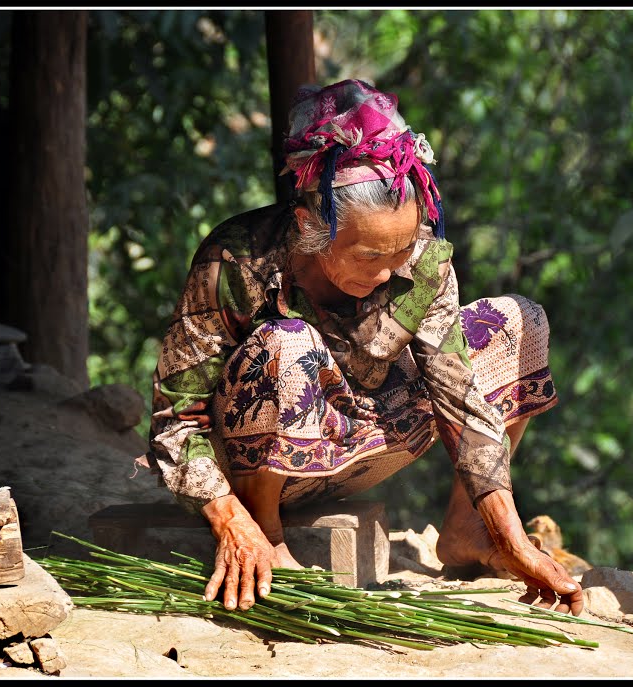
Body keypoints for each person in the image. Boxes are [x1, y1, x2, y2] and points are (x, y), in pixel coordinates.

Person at [140, 78, 583, 617]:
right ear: (310, 226)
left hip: (359, 438)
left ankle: (469, 531)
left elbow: (460, 399)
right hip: (254, 464)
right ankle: (268, 537)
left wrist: (510, 534)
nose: (392, 270)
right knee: (288, 341)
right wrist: (229, 520)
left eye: (403, 248)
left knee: (518, 321)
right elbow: (174, 419)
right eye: (371, 254)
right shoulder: (235, 261)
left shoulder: (418, 262)